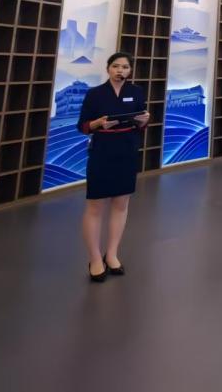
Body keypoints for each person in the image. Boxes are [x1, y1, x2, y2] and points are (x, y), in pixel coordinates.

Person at [77, 51, 150, 282]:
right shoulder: (95, 94)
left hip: (127, 151)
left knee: (121, 204)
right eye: (116, 66)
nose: (120, 71)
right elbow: (82, 126)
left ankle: (112, 254)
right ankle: (95, 258)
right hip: (102, 151)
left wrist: (144, 121)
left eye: (125, 67)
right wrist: (97, 123)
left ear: (130, 70)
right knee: (95, 206)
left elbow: (141, 121)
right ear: (108, 68)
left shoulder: (136, 91)